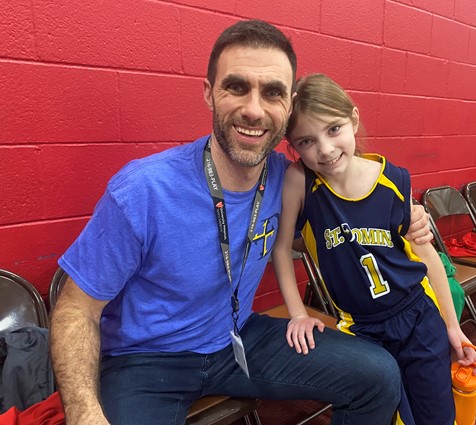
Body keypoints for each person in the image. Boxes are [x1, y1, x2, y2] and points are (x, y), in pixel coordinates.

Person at [49, 21, 433, 425]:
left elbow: (351, 188)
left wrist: (406, 215)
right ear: (209, 93)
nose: (253, 109)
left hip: (236, 337)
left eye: (272, 93)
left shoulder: (291, 180)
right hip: (145, 361)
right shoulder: (143, 189)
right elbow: (76, 309)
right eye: (236, 87)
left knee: (378, 375)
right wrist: (83, 413)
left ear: (288, 107)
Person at [271, 73, 476, 425]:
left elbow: (426, 256)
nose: (324, 148)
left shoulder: (394, 180)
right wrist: (298, 313)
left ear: (353, 120)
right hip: (362, 327)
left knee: (436, 415)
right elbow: (280, 249)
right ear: (293, 146)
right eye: (307, 140)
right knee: (380, 411)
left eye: (334, 129)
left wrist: (452, 327)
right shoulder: (301, 181)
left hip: (416, 315)